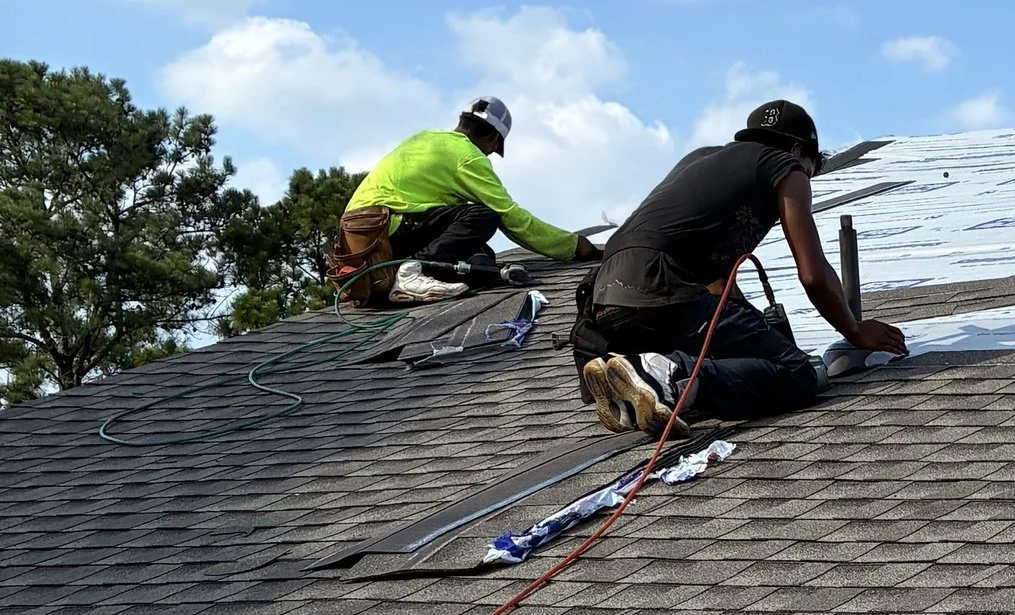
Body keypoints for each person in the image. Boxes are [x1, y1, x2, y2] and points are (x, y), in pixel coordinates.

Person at [572, 96, 907, 432]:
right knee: (799, 374)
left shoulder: (702, 160)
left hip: (608, 304)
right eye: (810, 169)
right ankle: (664, 374)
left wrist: (757, 333)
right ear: (796, 151)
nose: (807, 178)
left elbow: (720, 289)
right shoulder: (784, 166)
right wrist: (855, 330)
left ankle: (646, 380)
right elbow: (812, 273)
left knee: (733, 364)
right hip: (660, 292)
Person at [333, 98, 602, 306]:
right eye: (494, 149)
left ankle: (405, 276)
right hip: (386, 230)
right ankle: (412, 272)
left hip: (361, 241)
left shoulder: (425, 139)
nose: (490, 155)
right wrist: (575, 247)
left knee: (481, 258)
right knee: (485, 215)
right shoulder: (468, 156)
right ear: (493, 139)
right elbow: (511, 217)